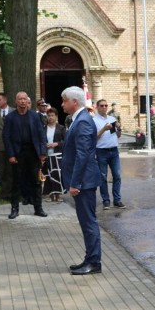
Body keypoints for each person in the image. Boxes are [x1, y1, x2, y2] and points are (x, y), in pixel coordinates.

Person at [61, 86, 103, 275]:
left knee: (88, 222)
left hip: (84, 182)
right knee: (86, 222)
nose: (62, 104)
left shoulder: (83, 121)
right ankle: (89, 258)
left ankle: (94, 262)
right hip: (82, 181)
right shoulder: (78, 119)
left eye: (64, 101)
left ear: (74, 102)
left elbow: (83, 154)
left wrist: (75, 183)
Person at [3, 91, 48, 219]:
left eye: (24, 99)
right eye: (20, 99)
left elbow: (41, 135)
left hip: (33, 153)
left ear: (28, 101)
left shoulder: (35, 116)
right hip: (18, 153)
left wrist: (42, 152)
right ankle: (14, 209)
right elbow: (6, 137)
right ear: (16, 101)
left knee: (36, 181)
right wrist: (10, 154)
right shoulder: (10, 117)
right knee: (16, 182)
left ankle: (38, 208)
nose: (22, 101)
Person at [93, 99, 125, 209]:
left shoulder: (112, 118)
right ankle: (106, 200)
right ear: (97, 107)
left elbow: (118, 135)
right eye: (101, 105)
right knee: (103, 177)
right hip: (101, 151)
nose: (104, 107)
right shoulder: (94, 120)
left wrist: (119, 128)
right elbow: (94, 136)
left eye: (106, 105)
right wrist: (104, 129)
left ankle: (117, 200)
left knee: (117, 175)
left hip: (114, 151)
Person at [42, 107, 66, 202]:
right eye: (49, 115)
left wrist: (57, 143)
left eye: (52, 115)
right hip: (47, 155)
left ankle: (58, 195)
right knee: (48, 174)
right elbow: (40, 141)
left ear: (56, 117)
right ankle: (50, 195)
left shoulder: (61, 128)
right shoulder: (43, 128)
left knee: (57, 174)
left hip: (57, 154)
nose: (51, 117)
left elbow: (66, 141)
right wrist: (45, 145)